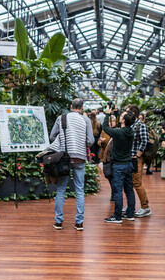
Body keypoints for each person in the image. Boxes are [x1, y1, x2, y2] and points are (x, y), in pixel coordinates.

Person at [47, 98, 94, 231]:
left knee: (61, 189)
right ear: (82, 108)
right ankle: (79, 222)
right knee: (79, 189)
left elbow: (52, 137)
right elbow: (90, 141)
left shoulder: (61, 118)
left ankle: (58, 222)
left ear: (71, 106)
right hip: (79, 158)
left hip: (64, 158)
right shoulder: (85, 120)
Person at [101, 104, 137, 224]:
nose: (120, 116)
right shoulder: (130, 131)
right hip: (128, 164)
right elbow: (119, 126)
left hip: (118, 166)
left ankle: (117, 217)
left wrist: (107, 114)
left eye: (121, 116)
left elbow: (105, 127)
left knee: (117, 191)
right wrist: (116, 112)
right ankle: (130, 214)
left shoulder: (118, 133)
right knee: (129, 190)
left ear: (123, 120)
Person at [124, 104, 151, 217]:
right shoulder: (129, 125)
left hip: (136, 159)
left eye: (127, 112)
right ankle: (131, 205)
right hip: (128, 158)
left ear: (133, 114)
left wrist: (138, 156)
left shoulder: (140, 125)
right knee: (128, 182)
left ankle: (145, 207)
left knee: (137, 183)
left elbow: (145, 141)